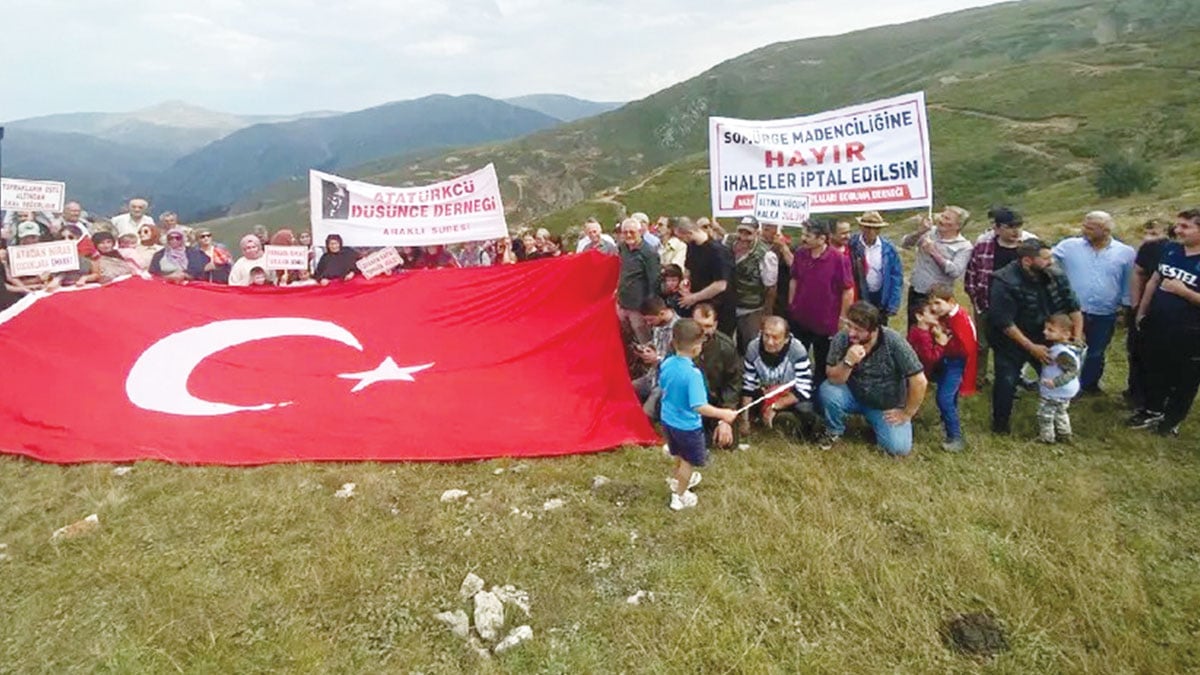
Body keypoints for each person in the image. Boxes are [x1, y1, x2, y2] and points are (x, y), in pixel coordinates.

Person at [987, 240, 1082, 434]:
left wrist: (1076, 339)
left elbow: (1072, 305)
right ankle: (1000, 427)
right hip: (1011, 340)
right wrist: (1031, 347)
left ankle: (1059, 420)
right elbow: (1004, 322)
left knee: (1061, 376)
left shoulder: (1056, 274)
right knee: (1007, 381)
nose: (1051, 261)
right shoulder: (1004, 281)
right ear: (1028, 261)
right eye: (1046, 258)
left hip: (1049, 337)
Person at [819, 301, 928, 456]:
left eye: (858, 330)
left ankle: (878, 424)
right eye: (849, 326)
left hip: (886, 405)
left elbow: (919, 380)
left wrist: (907, 413)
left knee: (898, 448)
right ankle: (834, 430)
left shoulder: (894, 342)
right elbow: (832, 377)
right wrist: (848, 362)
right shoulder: (842, 338)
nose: (851, 333)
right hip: (853, 395)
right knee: (827, 390)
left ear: (875, 330)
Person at [1129, 209, 1200, 436]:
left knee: (1185, 378)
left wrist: (1184, 292)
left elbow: (1177, 288)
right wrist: (1141, 311)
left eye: (1185, 227)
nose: (1177, 230)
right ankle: (1152, 411)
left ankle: (1171, 421)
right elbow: (1155, 280)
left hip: (1191, 331)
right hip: (1159, 323)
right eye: (1178, 225)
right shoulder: (1171, 249)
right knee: (1155, 369)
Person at [658, 319, 739, 511]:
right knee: (688, 461)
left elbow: (663, 387)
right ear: (696, 347)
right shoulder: (693, 374)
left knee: (677, 454)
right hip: (687, 426)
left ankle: (676, 480)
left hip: (668, 420)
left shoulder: (667, 363)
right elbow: (699, 406)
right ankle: (679, 496)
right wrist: (724, 414)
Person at [1051, 211, 1136, 395]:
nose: (1084, 230)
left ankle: (1088, 385)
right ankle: (1062, 383)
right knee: (1066, 347)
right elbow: (1046, 261)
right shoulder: (1068, 246)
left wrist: (1126, 306)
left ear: (1105, 230)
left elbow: (1128, 281)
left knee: (1096, 352)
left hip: (1104, 312)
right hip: (1071, 311)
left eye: (1089, 228)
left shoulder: (1126, 253)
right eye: (1084, 225)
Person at [965, 207, 1035, 389]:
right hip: (986, 303)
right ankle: (979, 378)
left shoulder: (1030, 245)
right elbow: (972, 272)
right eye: (1010, 227)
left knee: (1015, 344)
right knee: (982, 344)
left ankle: (1014, 379)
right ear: (996, 228)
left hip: (1019, 306)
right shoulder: (983, 244)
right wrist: (976, 297)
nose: (1015, 231)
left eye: (1018, 226)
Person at [908, 285, 977, 452]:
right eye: (932, 304)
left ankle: (955, 436)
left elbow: (967, 347)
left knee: (944, 398)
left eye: (938, 303)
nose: (934, 308)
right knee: (948, 397)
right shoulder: (948, 316)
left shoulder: (960, 319)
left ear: (951, 302)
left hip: (956, 363)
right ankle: (947, 421)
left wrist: (942, 342)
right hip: (947, 361)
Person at [788, 220, 854, 389]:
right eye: (803, 234)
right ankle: (795, 391)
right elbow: (794, 279)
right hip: (800, 318)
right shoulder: (800, 254)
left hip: (826, 322)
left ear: (822, 238)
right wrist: (792, 305)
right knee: (796, 357)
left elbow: (848, 290)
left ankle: (819, 394)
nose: (803, 238)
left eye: (807, 235)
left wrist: (843, 318)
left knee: (822, 361)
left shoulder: (839, 259)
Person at [739, 316, 816, 438]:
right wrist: (744, 420)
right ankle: (757, 419)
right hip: (764, 392)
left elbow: (804, 389)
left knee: (806, 410)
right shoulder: (753, 348)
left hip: (790, 395)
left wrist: (775, 406)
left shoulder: (797, 350)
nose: (769, 342)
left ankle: (796, 430)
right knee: (742, 397)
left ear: (786, 339)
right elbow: (748, 386)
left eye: (775, 338)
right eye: (766, 335)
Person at [1126, 219, 1174, 407]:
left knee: (1165, 356)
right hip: (1145, 307)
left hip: (1178, 313)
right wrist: (1136, 304)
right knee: (1137, 351)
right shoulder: (1151, 248)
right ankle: (1135, 393)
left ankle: (1164, 397)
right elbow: (1139, 273)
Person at [901, 206, 973, 328]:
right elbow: (905, 244)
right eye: (942, 216)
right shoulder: (929, 232)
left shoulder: (964, 246)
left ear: (957, 226)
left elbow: (955, 271)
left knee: (935, 331)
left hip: (938, 298)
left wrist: (934, 252)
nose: (941, 220)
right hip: (917, 291)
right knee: (914, 329)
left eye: (947, 218)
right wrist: (920, 231)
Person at [693, 303, 741, 449]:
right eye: (698, 325)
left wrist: (725, 420)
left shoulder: (726, 347)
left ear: (715, 325)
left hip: (717, 405)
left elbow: (733, 384)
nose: (703, 330)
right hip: (690, 407)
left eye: (708, 326)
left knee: (726, 443)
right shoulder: (680, 343)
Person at [676, 217, 736, 336]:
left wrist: (693, 298)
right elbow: (689, 268)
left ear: (689, 233)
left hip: (719, 307)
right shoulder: (692, 246)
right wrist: (686, 282)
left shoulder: (718, 252)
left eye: (681, 237)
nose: (681, 241)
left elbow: (720, 285)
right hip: (698, 304)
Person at [728, 216, 779, 354]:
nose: (743, 237)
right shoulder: (729, 243)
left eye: (748, 233)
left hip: (751, 309)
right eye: (741, 232)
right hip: (730, 305)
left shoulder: (766, 255)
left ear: (757, 233)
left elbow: (771, 287)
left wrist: (767, 314)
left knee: (752, 346)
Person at [849, 211, 903, 324]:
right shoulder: (851, 245)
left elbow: (896, 277)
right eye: (868, 228)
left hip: (881, 296)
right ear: (861, 227)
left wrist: (893, 303)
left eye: (876, 228)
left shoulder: (888, 248)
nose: (872, 231)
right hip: (859, 296)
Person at [1037, 314, 1082, 444]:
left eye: (1051, 330)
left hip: (1056, 389)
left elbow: (1072, 371)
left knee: (1045, 413)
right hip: (1063, 391)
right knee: (1061, 412)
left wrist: (1055, 382)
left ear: (1066, 334)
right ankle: (1065, 434)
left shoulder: (1062, 353)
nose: (1045, 332)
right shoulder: (1063, 349)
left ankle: (1047, 437)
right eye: (1046, 329)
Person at [616, 218, 661, 344]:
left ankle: (647, 360)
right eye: (625, 232)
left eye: (632, 232)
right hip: (622, 301)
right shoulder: (622, 247)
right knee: (625, 335)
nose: (628, 235)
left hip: (638, 305)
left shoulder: (649, 253)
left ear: (640, 232)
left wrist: (648, 307)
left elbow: (654, 280)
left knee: (643, 336)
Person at [632, 296, 679, 416]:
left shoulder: (679, 329)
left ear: (662, 313)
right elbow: (656, 344)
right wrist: (645, 349)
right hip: (652, 376)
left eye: (651, 320)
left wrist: (656, 359)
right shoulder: (658, 325)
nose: (649, 324)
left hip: (666, 382)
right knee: (628, 389)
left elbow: (679, 361)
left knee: (646, 413)